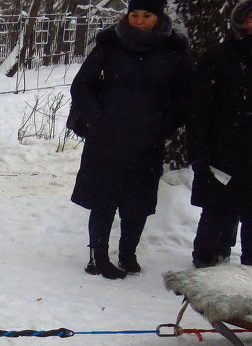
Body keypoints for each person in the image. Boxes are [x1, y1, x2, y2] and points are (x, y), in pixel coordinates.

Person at [68, 0, 193, 279]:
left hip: (146, 140)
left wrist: (163, 125)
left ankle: (128, 253)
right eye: (134, 14)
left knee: (137, 202)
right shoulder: (110, 44)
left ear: (157, 17)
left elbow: (185, 96)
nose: (138, 20)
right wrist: (97, 118)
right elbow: (82, 85)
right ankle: (97, 256)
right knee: (103, 199)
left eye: (145, 15)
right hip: (106, 138)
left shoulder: (173, 50)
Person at [187, 0, 252, 268]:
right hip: (223, 151)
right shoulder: (220, 56)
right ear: (241, 21)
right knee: (217, 212)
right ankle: (208, 263)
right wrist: (199, 152)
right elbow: (200, 109)